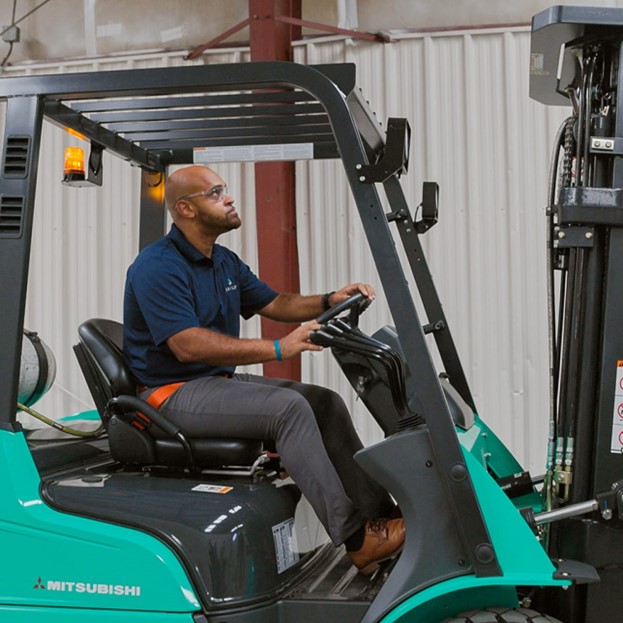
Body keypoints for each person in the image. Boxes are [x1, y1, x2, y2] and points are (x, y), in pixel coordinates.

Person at [123, 164, 404, 575]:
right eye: (216, 192)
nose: (229, 198)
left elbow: (276, 304)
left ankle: (382, 520)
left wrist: (329, 299)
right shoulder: (157, 266)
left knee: (323, 402)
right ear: (185, 209)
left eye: (225, 189)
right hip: (171, 393)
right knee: (287, 409)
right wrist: (278, 347)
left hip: (213, 382)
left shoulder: (223, 261)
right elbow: (185, 345)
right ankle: (358, 540)